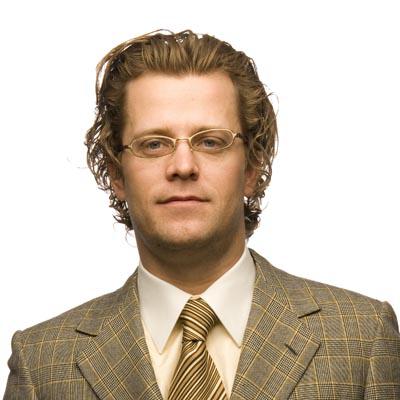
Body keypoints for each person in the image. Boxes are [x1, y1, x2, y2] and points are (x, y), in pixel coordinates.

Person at [4, 29, 400, 400]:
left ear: (251, 167)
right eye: (154, 144)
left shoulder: (362, 338)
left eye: (210, 142)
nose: (183, 166)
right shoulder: (42, 362)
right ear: (116, 174)